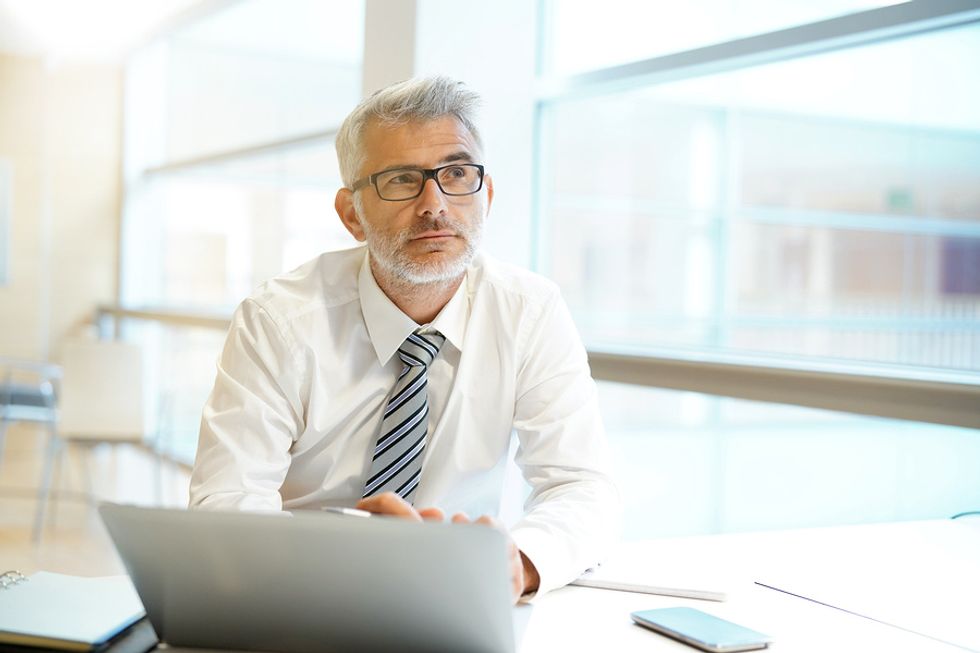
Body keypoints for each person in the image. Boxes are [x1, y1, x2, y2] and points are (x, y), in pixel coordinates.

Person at [189, 76, 620, 602]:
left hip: (456, 593)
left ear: (485, 194)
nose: (434, 205)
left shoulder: (530, 312)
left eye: (457, 174)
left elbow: (581, 486)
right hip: (302, 589)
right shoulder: (278, 320)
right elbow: (227, 500)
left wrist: (520, 564)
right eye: (400, 180)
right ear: (352, 215)